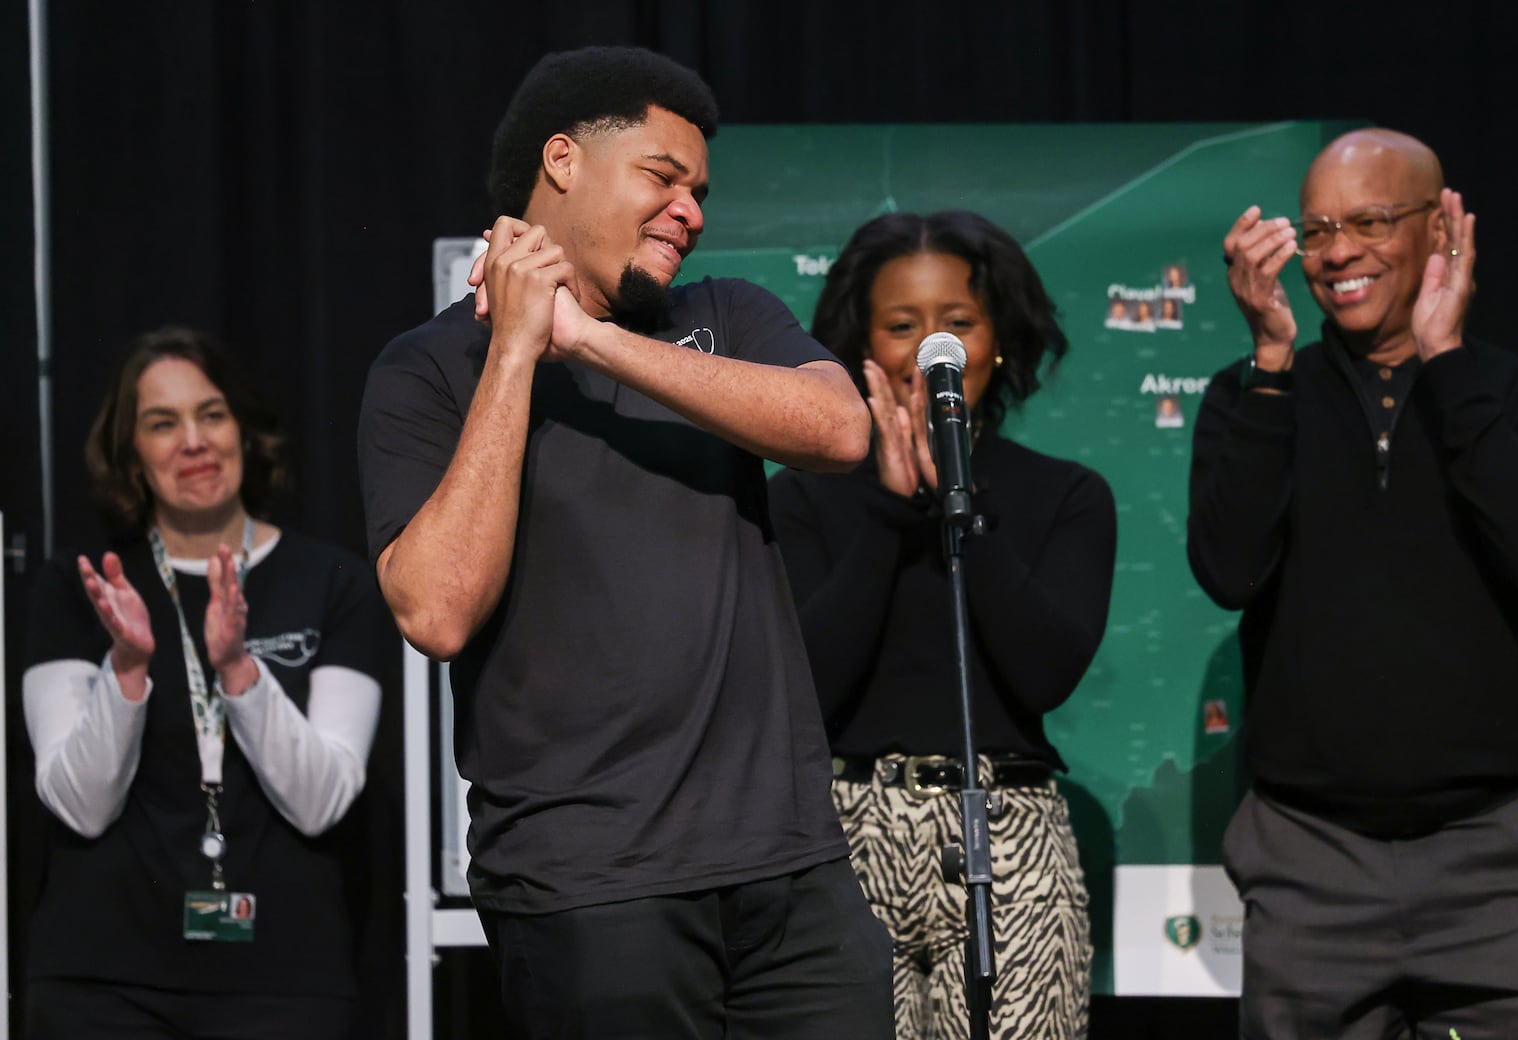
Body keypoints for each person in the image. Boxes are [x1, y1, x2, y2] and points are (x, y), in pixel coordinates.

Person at [356, 45, 890, 1038]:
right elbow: (436, 608)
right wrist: (518, 346)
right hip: (592, 887)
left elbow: (839, 428)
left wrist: (589, 336)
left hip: (794, 874)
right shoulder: (426, 371)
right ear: (562, 160)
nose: (690, 210)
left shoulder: (724, 315)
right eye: (662, 176)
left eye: (698, 191)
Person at [1190, 128, 1518, 1038]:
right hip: (1309, 861)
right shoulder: (1251, 397)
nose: (1337, 253)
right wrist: (1267, 364)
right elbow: (1227, 571)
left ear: (1441, 230)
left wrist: (1445, 361)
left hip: (1505, 854)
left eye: (1370, 221)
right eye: (1318, 229)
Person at [768, 210, 1115, 1040]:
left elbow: (1044, 671)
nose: (933, 348)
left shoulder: (1066, 496)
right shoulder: (803, 498)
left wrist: (957, 498)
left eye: (958, 323)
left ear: (998, 340)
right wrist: (889, 510)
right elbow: (808, 685)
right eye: (903, 326)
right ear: (861, 346)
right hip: (846, 830)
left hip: (1012, 836)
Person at [21, 327, 388, 1039]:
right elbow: (80, 805)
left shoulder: (334, 583)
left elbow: (322, 803)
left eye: (211, 414)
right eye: (162, 423)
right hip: (102, 987)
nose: (193, 441)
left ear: (244, 431)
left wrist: (238, 670)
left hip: (286, 986)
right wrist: (126, 670)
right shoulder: (83, 587)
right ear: (132, 452)